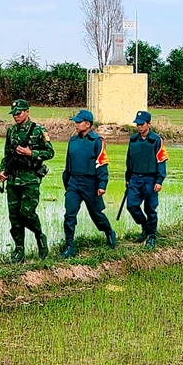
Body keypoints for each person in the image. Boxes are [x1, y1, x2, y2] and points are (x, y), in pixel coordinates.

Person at [0, 99, 55, 262]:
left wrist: (32, 153)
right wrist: (3, 171)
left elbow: (50, 152)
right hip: (13, 180)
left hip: (30, 179)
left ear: (27, 112)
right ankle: (19, 251)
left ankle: (39, 237)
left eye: (19, 113)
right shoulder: (11, 132)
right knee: (14, 217)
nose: (16, 116)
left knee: (27, 213)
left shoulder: (38, 131)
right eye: (14, 113)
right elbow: (7, 155)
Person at [62, 110, 116, 258]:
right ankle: (69, 246)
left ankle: (109, 232)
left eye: (79, 122)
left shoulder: (97, 141)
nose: (76, 124)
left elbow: (102, 163)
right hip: (74, 182)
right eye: (76, 121)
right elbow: (68, 164)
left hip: (90, 183)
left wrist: (102, 184)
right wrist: (67, 182)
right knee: (69, 214)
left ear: (88, 124)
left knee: (96, 214)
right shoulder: (72, 141)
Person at [125, 110, 169, 249]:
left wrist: (159, 180)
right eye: (137, 124)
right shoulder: (133, 140)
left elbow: (161, 161)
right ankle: (145, 226)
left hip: (151, 179)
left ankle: (151, 236)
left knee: (150, 208)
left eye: (142, 124)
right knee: (131, 205)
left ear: (148, 124)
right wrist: (127, 178)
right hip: (135, 178)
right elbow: (129, 161)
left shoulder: (156, 140)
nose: (139, 127)